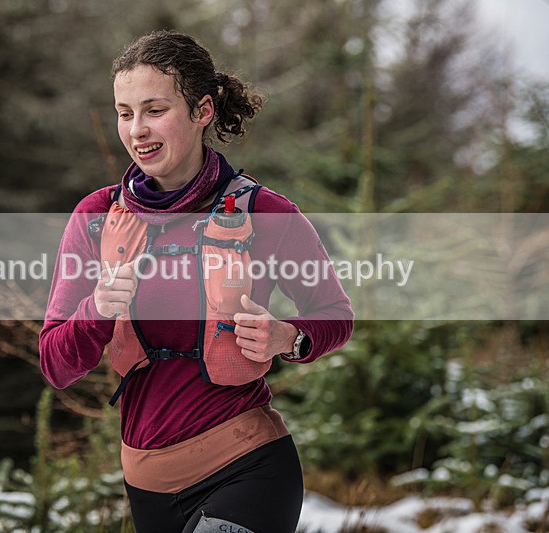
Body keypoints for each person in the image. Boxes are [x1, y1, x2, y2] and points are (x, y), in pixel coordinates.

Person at [39, 30, 353, 533]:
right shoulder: (96, 216)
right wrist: (95, 308)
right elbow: (56, 364)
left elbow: (335, 314)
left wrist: (288, 338)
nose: (137, 130)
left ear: (202, 110)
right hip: (147, 486)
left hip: (249, 467)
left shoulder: (267, 212)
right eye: (124, 113)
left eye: (155, 110)